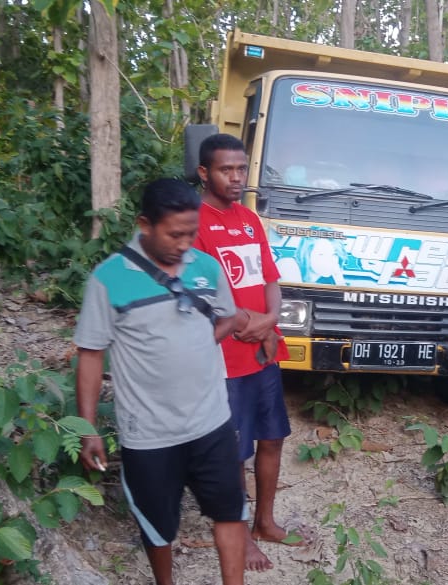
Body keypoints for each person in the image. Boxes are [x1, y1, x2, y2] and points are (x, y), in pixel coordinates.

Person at [75, 178, 245, 585]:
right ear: (145, 224)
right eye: (175, 234)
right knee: (157, 527)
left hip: (211, 422)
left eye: (192, 232)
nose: (185, 243)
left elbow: (228, 316)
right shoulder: (108, 279)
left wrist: (202, 344)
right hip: (149, 434)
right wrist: (87, 430)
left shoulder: (205, 267)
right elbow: (91, 355)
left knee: (230, 512)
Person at [194, 133, 296, 573]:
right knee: (235, 450)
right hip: (225, 359)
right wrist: (246, 325)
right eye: (226, 170)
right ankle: (239, 533)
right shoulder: (193, 221)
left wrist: (269, 321)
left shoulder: (249, 220)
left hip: (263, 351)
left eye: (241, 169)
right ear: (204, 173)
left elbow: (270, 278)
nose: (236, 178)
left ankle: (265, 522)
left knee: (272, 437)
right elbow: (197, 294)